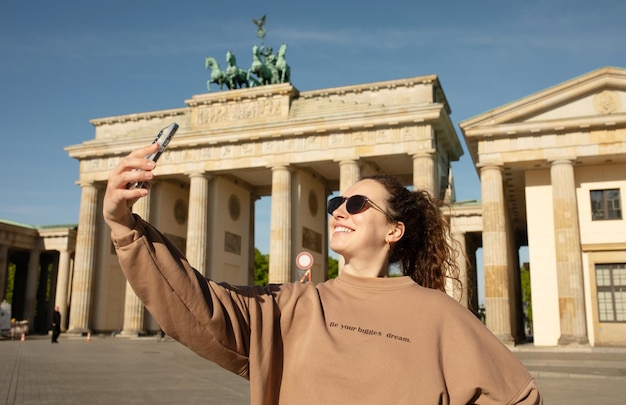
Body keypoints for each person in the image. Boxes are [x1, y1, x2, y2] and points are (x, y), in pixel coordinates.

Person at [103, 142, 542, 405]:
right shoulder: (292, 307)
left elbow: (517, 397)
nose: (339, 211)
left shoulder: (441, 316)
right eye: (335, 203)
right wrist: (125, 227)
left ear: (394, 229)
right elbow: (197, 307)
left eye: (356, 204)